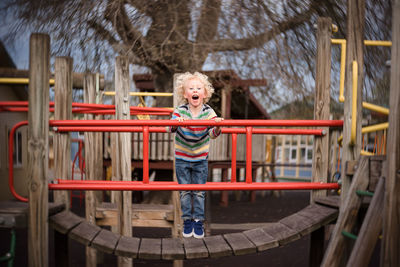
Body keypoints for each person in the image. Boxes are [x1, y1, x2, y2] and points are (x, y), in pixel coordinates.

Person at [167, 71, 223, 238]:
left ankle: (198, 220)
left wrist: (218, 126)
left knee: (198, 191)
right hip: (182, 158)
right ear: (185, 94)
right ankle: (187, 220)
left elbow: (212, 134)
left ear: (204, 93)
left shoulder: (208, 111)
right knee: (184, 191)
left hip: (200, 158)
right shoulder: (180, 110)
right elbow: (169, 128)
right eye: (191, 88)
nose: (195, 90)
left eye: (199, 88)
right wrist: (176, 123)